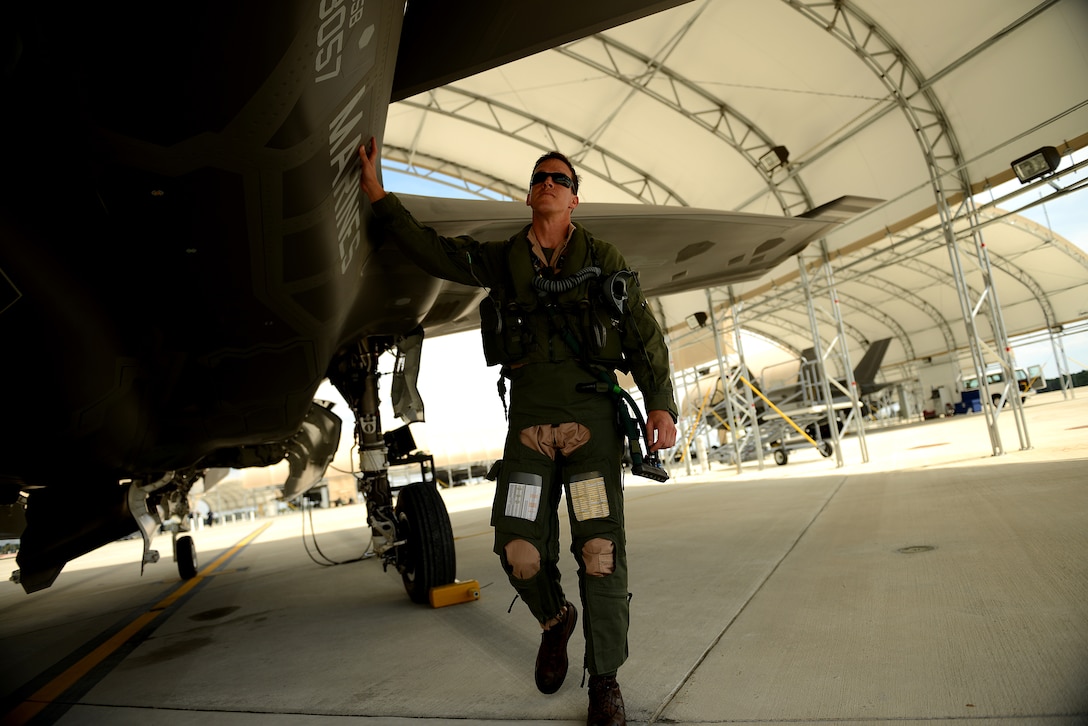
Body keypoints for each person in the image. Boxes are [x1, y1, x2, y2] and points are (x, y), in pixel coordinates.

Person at [359, 139, 677, 726]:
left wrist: (661, 403)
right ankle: (555, 621)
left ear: (574, 199)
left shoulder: (602, 258)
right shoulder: (502, 260)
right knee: (519, 547)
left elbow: (644, 333)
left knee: (599, 552)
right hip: (531, 425)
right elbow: (433, 251)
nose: (547, 183)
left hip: (590, 426)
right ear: (531, 194)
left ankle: (604, 679)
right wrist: (379, 197)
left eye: (558, 178)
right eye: (539, 177)